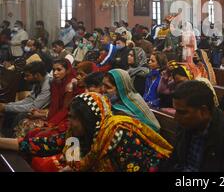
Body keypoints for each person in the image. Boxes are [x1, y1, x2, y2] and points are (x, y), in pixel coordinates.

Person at [0, 92, 173, 172]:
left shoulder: (118, 134)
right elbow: (43, 145)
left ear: (89, 120)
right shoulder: (76, 135)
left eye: (74, 118)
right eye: (70, 116)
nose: (70, 123)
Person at [162, 80, 224, 172]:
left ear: (204, 111)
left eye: (182, 112)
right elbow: (175, 160)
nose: (176, 118)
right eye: (176, 111)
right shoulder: (186, 125)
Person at [14, 59, 84, 138]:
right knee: (24, 120)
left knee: (32, 128)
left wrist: (47, 121)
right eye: (53, 70)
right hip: (53, 115)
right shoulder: (55, 83)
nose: (55, 73)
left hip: (66, 120)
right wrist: (41, 113)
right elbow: (54, 106)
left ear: (67, 70)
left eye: (59, 70)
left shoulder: (73, 85)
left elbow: (66, 110)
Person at [0, 62, 51, 137]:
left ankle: (11, 139)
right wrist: (8, 105)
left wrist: (6, 107)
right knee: (9, 110)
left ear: (37, 75)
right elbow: (30, 99)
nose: (25, 78)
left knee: (21, 115)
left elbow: (34, 107)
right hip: (37, 107)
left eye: (27, 76)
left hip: (44, 111)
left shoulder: (48, 84)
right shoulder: (39, 80)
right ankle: (5, 136)